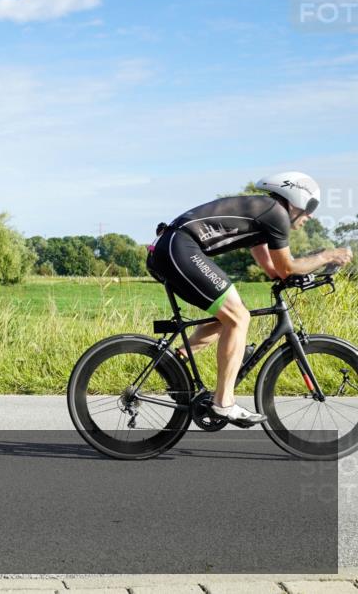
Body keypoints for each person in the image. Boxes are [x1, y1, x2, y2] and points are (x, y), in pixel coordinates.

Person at [147, 172, 353, 427]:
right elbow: (287, 267)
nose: (310, 216)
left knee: (232, 313)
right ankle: (223, 403)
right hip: (179, 248)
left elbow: (272, 266)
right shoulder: (276, 214)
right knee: (239, 318)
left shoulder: (266, 213)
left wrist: (290, 275)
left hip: (173, 247)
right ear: (297, 199)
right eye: (310, 207)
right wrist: (326, 256)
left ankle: (174, 360)